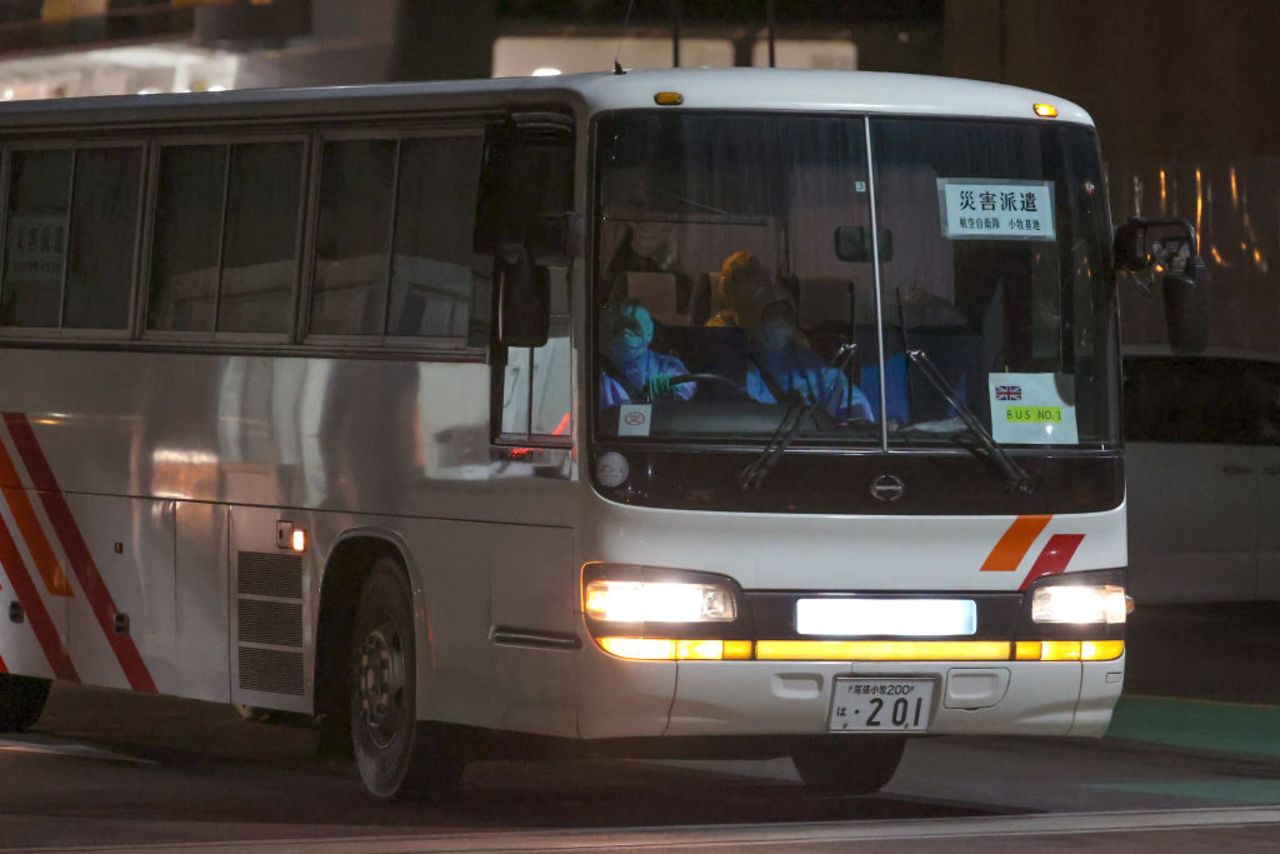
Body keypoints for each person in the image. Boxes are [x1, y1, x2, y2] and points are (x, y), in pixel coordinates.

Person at [747, 296, 875, 422]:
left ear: (793, 324)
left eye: (785, 316)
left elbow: (854, 405)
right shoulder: (738, 361)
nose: (779, 322)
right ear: (759, 321)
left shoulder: (811, 365)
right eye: (773, 315)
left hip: (808, 440)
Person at [598, 299, 695, 408]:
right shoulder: (600, 373)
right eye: (619, 328)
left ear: (647, 334)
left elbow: (687, 386)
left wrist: (672, 390)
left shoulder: (666, 365)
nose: (625, 334)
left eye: (633, 328)